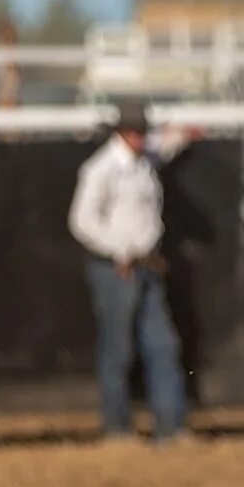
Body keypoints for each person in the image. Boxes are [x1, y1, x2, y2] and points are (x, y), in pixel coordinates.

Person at [67, 100, 189, 442]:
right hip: (116, 267)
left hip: (146, 265)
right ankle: (117, 427)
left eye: (142, 132)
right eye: (133, 132)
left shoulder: (143, 162)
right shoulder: (102, 169)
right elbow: (82, 221)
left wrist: (187, 131)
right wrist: (119, 248)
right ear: (121, 133)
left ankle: (170, 426)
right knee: (119, 349)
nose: (138, 138)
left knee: (162, 344)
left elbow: (169, 143)